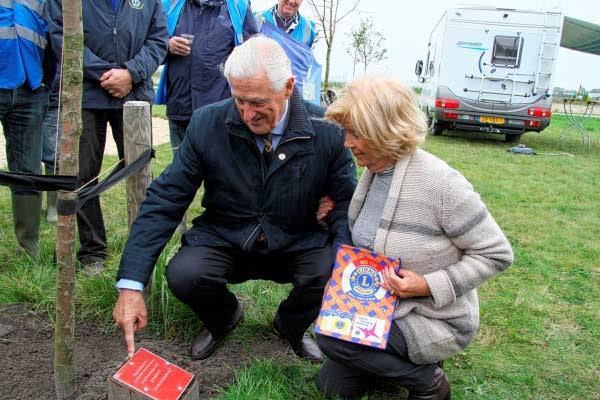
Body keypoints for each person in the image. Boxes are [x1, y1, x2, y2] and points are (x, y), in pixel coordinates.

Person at [113, 36, 356, 363]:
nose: (246, 115)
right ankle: (224, 317)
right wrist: (131, 283)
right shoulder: (207, 124)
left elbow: (344, 204)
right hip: (226, 238)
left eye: (257, 102)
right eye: (238, 100)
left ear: (287, 87)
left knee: (330, 270)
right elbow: (166, 199)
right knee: (185, 274)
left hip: (296, 240)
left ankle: (291, 326)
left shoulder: (328, 130)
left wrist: (347, 270)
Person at [315, 77, 514, 400]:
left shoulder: (442, 184)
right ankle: (389, 357)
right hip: (383, 306)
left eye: (356, 133)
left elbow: (497, 254)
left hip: (431, 316)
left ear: (384, 131)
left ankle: (428, 380)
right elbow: (372, 240)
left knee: (332, 339)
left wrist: (428, 285)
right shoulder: (376, 170)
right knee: (334, 387)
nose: (346, 144)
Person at [46, 0, 169, 273]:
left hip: (135, 95)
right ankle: (93, 252)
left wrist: (131, 73)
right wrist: (105, 74)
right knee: (83, 175)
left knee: (140, 171)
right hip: (85, 97)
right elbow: (61, 37)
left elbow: (159, 40)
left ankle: (143, 249)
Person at [1, 0, 50, 255]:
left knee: (28, 171)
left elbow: (51, 35)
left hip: (30, 89)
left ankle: (29, 250)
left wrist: (46, 83)